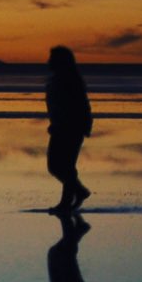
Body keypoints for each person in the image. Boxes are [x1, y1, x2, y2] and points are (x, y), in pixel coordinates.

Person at [45, 45, 93, 213]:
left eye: (52, 59)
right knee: (56, 166)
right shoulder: (58, 79)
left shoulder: (70, 80)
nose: (48, 62)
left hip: (71, 127)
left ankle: (67, 201)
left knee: (64, 166)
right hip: (60, 126)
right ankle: (79, 192)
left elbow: (81, 105)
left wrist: (84, 125)